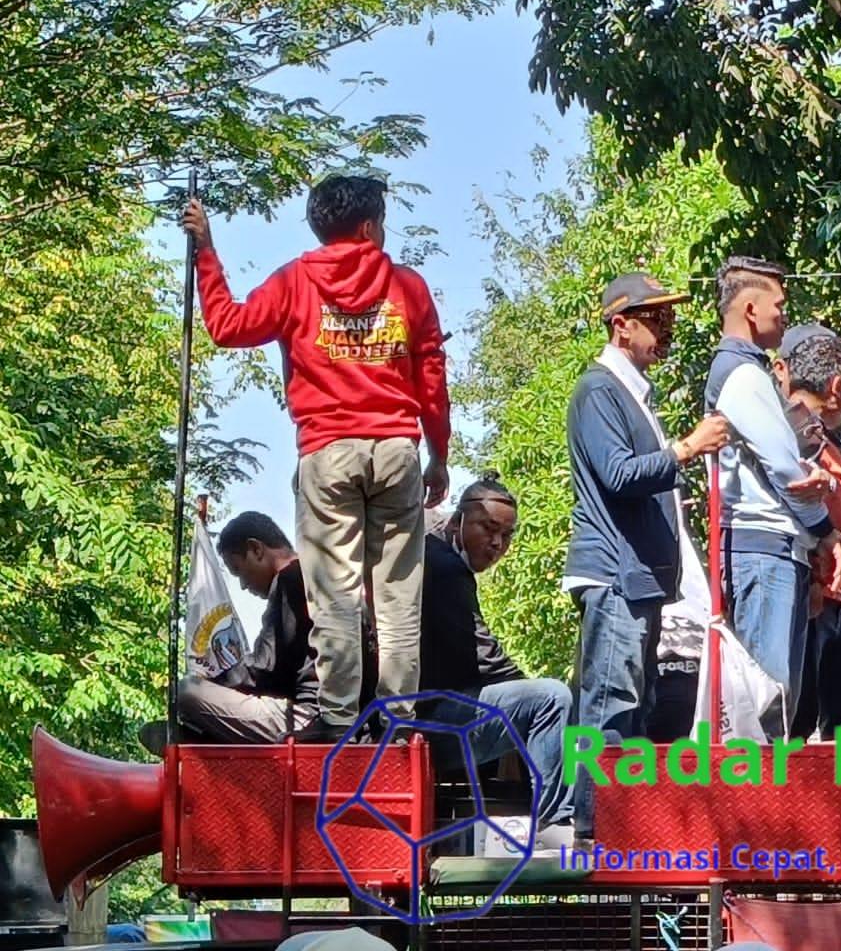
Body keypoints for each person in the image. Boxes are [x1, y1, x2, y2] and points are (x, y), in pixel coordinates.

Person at [181, 176, 449, 741]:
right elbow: (431, 376)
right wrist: (439, 456)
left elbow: (227, 326)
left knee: (336, 597)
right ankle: (400, 723)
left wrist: (206, 250)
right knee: (398, 597)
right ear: (371, 226)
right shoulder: (408, 288)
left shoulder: (295, 283)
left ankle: (338, 720)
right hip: (397, 449)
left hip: (327, 451)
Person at [564, 272, 729, 838]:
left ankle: (623, 823)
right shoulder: (600, 391)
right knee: (611, 701)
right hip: (613, 573)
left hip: (637, 579)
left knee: (635, 705)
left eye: (668, 318)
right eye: (655, 318)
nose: (668, 329)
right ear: (620, 324)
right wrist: (685, 447)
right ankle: (594, 823)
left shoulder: (633, 393)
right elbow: (618, 473)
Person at [703, 257, 840, 734]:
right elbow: (785, 466)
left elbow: (790, 463)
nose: (784, 314)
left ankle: (766, 802)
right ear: (749, 307)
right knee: (764, 701)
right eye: (778, 305)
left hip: (774, 549)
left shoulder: (750, 372)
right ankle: (754, 806)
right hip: (763, 550)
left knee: (775, 701)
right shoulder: (742, 375)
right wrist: (826, 530)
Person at [419, 476, 573, 838]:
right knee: (553, 699)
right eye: (488, 529)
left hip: (430, 716)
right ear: (457, 522)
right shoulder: (445, 569)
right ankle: (555, 824)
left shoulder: (436, 559)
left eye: (507, 535)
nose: (497, 543)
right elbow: (489, 660)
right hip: (428, 724)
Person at [772, 324, 841, 740]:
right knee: (799, 715)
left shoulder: (836, 443)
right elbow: (795, 502)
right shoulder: (795, 433)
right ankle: (788, 804)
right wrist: (814, 579)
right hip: (815, 595)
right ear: (837, 385)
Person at [141, 512, 318, 750]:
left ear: (255, 549)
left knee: (185, 691)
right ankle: (211, 737)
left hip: (304, 718)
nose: (244, 585)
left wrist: (214, 681)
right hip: (322, 710)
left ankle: (207, 742)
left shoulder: (290, 580)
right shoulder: (314, 577)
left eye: (239, 570)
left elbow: (266, 668)